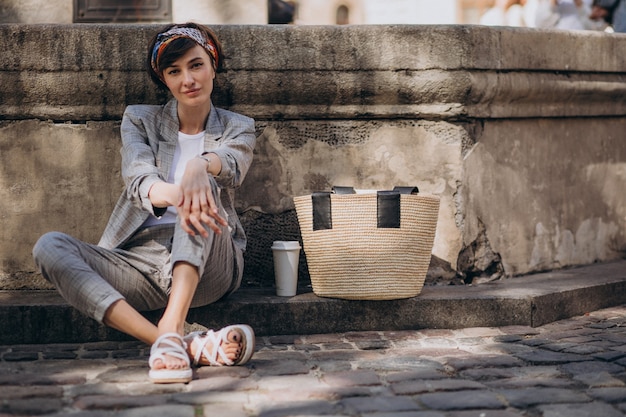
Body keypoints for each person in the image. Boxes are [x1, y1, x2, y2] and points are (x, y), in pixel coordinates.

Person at [32, 22, 257, 384]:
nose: (188, 79)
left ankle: (171, 321)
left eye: (196, 65)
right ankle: (176, 343)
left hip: (211, 264)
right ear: (164, 80)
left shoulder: (238, 125)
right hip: (139, 262)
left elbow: (231, 163)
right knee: (49, 247)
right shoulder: (140, 119)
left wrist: (200, 166)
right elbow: (139, 180)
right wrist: (178, 192)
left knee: (201, 192)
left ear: (213, 65)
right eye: (174, 71)